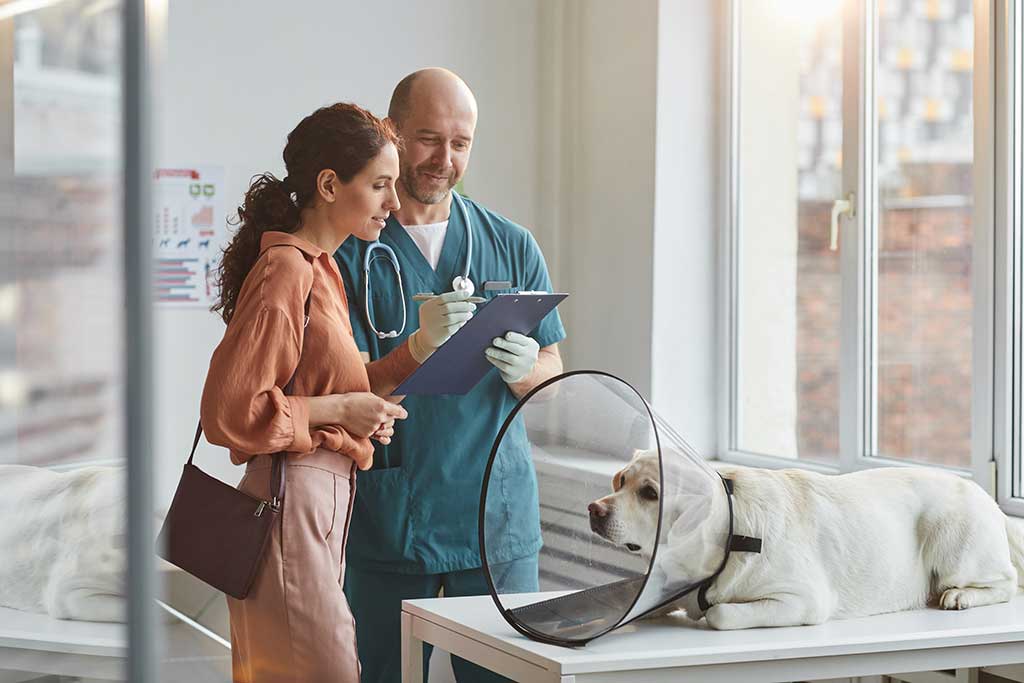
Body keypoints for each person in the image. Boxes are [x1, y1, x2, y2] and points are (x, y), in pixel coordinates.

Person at [200, 103, 453, 682]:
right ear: (330, 185)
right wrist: (342, 410)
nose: (395, 202)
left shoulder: (324, 270)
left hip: (317, 506)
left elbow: (344, 386)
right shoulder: (287, 271)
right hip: (291, 507)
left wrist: (411, 357)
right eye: (381, 185)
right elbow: (229, 412)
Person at [333, 68, 566, 683]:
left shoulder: (511, 244)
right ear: (393, 134)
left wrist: (525, 372)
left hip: (494, 521)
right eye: (428, 138)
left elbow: (552, 366)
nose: (444, 158)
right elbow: (338, 388)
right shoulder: (347, 254)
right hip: (391, 518)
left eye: (460, 143)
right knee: (376, 673)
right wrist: (416, 348)